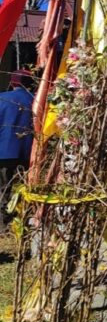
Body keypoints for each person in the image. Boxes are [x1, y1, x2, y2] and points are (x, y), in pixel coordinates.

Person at [0, 70, 35, 227]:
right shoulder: (36, 100)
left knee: (3, 187)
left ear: (13, 83)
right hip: (28, 152)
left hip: (4, 151)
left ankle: (3, 222)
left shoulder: (2, 98)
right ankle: (22, 220)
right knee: (24, 187)